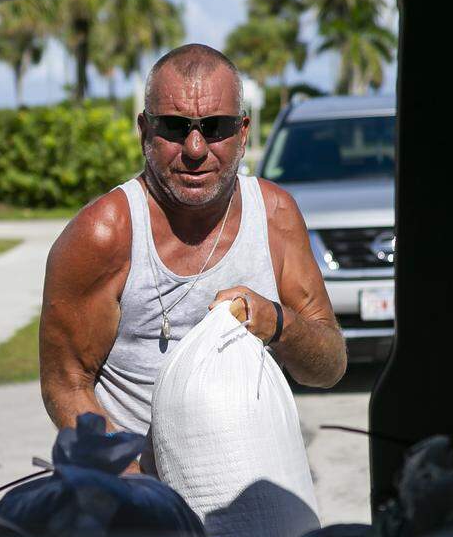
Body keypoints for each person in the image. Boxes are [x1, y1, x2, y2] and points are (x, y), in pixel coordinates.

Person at [39, 43, 346, 473]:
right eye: (175, 127)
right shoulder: (104, 234)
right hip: (142, 507)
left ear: (242, 131)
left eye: (215, 127)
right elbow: (66, 385)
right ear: (144, 130)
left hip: (256, 492)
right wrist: (137, 486)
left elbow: (329, 366)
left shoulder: (274, 215)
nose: (196, 148)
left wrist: (276, 322)